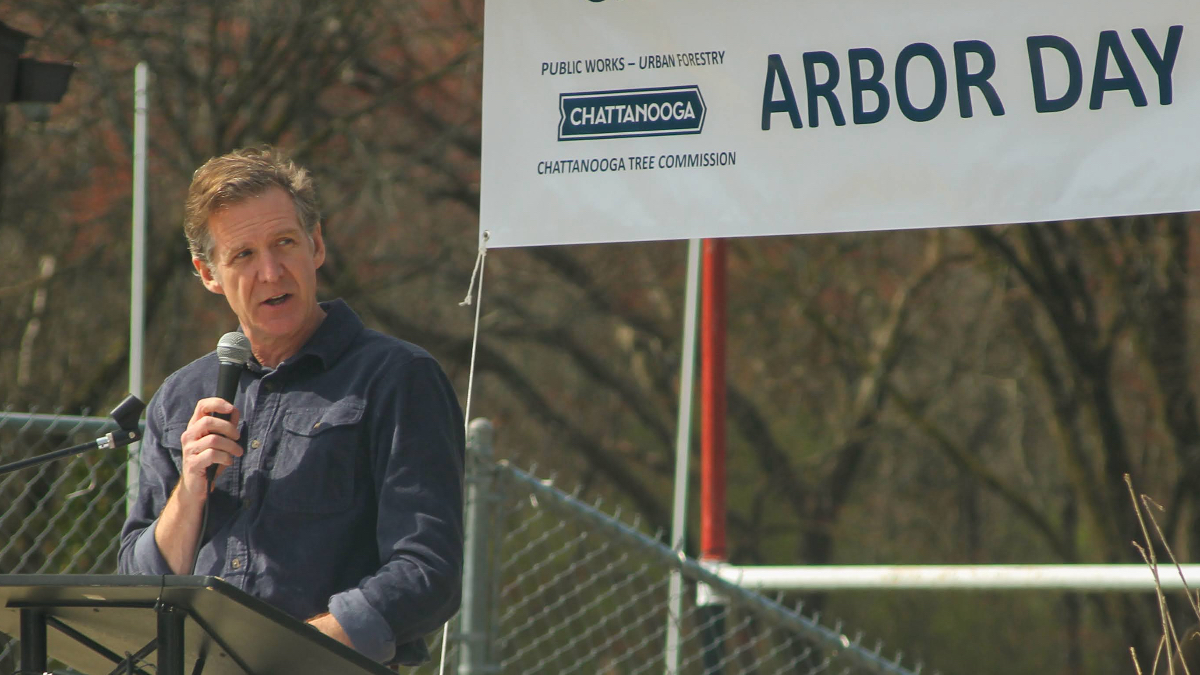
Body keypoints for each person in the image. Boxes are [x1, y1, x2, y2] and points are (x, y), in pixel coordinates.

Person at [118, 146, 464, 666]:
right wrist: (190, 492)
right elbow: (138, 587)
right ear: (208, 273)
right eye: (244, 255)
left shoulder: (396, 377)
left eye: (284, 243)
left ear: (317, 244)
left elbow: (425, 572)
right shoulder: (179, 398)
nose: (272, 272)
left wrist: (282, 653)